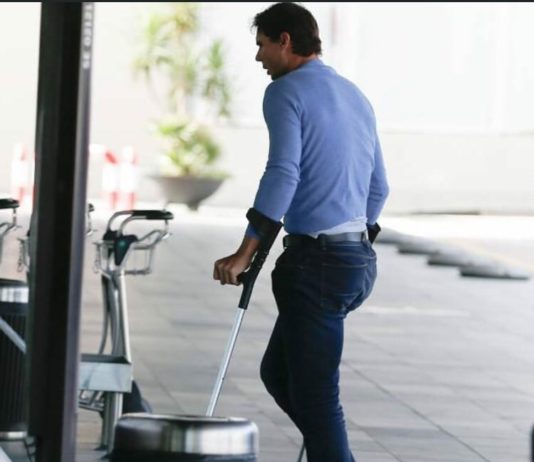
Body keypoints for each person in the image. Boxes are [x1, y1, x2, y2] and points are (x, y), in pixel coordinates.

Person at [213, 3, 389, 461]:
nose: (258, 57)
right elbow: (379, 187)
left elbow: (282, 173)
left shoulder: (285, 92)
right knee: (279, 375)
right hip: (356, 263)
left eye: (262, 45)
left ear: (285, 41)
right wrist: (352, 244)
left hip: (318, 265)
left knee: (317, 399)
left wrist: (245, 251)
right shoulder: (354, 94)